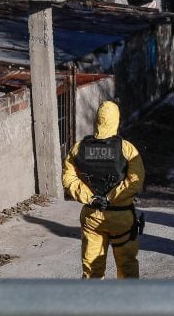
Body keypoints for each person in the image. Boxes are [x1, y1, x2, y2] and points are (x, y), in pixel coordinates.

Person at [62, 100, 145, 278]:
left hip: (92, 215)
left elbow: (69, 179)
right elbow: (135, 182)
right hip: (121, 217)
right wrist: (111, 197)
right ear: (116, 120)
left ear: (96, 121)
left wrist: (91, 197)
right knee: (127, 264)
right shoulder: (127, 149)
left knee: (92, 266)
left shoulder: (78, 149)